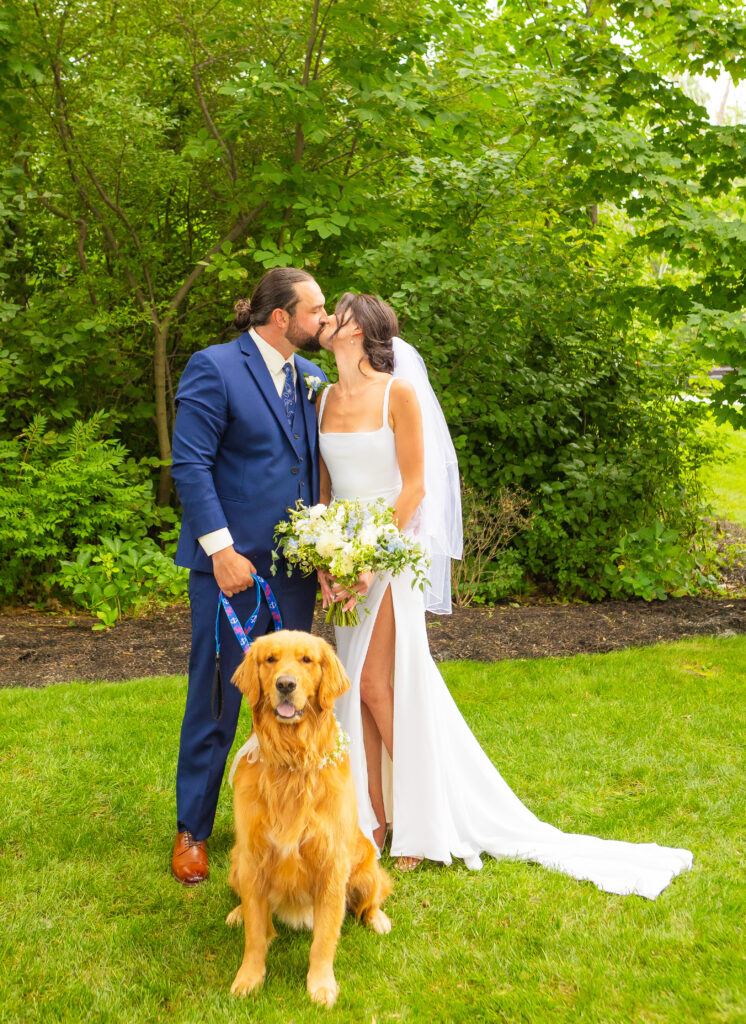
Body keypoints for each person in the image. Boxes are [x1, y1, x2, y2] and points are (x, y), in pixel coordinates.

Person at [315, 292, 693, 898]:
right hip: (343, 555)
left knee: (375, 685)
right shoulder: (324, 399)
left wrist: (371, 559)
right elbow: (327, 489)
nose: (327, 320)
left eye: (336, 313)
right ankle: (374, 818)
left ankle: (419, 821)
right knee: (354, 686)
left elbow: (413, 488)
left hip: (387, 555)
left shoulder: (398, 394)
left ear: (358, 329)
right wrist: (326, 560)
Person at [169, 267, 328, 886]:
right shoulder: (214, 367)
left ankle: (291, 826)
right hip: (230, 571)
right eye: (315, 310)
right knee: (220, 697)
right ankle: (194, 831)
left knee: (296, 702)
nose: (324, 321)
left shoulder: (312, 379)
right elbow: (191, 463)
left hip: (294, 573)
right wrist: (220, 549)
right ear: (281, 318)